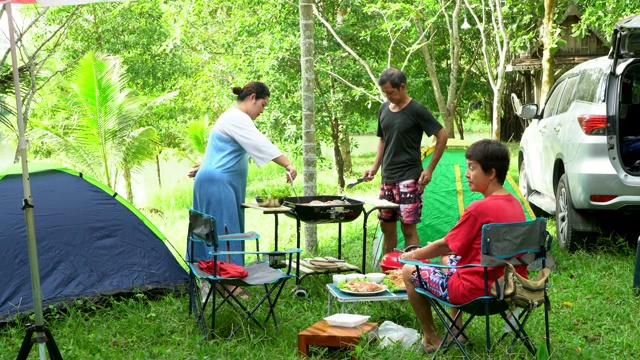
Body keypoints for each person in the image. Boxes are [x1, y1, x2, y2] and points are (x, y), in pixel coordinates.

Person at [398, 139, 527, 353]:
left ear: (491, 173)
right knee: (447, 260)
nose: (467, 174)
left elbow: (447, 244)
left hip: (475, 291)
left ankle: (430, 337)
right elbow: (452, 249)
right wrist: (445, 249)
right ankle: (456, 330)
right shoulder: (515, 204)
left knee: (408, 271)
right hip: (509, 288)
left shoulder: (479, 208)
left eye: (472, 168)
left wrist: (413, 255)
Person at [188, 81, 297, 267]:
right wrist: (288, 165)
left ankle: (213, 280)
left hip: (214, 179)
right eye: (262, 105)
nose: (262, 111)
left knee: (209, 230)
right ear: (252, 97)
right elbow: (260, 143)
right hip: (218, 183)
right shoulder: (237, 117)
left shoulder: (230, 117)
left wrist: (205, 165)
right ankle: (229, 284)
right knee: (225, 231)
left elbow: (219, 150)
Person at [363, 67, 448, 255]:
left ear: (402, 87)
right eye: (384, 93)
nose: (388, 97)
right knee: (386, 228)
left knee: (408, 228)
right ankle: (388, 271)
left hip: (409, 179)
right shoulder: (384, 109)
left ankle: (414, 273)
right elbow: (383, 139)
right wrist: (375, 167)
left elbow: (442, 135)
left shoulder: (416, 110)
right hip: (387, 179)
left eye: (391, 92)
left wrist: (430, 169)